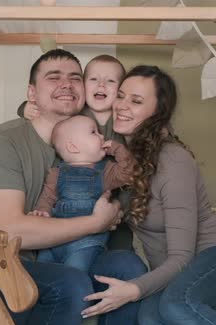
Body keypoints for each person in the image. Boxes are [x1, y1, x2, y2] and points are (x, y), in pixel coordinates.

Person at [0, 49, 146, 325]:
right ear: (31, 93)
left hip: (68, 258)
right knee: (70, 282)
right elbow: (12, 232)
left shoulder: (88, 148)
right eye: (53, 78)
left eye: (75, 78)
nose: (66, 84)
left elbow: (124, 186)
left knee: (128, 268)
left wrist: (115, 210)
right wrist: (96, 222)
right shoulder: (2, 141)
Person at [80, 65, 216, 325]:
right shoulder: (122, 159)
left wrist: (134, 289)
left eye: (136, 101)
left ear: (157, 114)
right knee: (149, 321)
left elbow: (182, 257)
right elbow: (72, 128)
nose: (122, 105)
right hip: (175, 279)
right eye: (121, 96)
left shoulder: (172, 158)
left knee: (174, 307)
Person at [20, 54, 133, 250]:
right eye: (93, 79)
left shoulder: (123, 115)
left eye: (110, 81)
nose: (101, 85)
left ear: (120, 90)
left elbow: (148, 118)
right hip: (76, 192)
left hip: (116, 198)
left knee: (120, 243)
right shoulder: (76, 113)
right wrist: (25, 108)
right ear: (83, 86)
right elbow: (49, 110)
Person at [31, 115, 135, 272]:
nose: (102, 136)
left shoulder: (105, 171)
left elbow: (129, 172)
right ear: (73, 146)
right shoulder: (56, 173)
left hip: (85, 244)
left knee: (74, 275)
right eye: (94, 132)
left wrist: (117, 148)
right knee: (41, 275)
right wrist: (42, 212)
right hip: (53, 241)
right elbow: (47, 197)